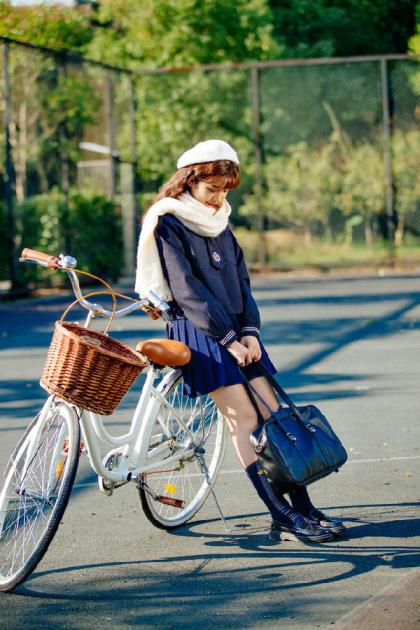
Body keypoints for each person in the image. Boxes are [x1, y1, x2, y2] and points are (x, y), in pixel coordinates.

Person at [135, 139, 345, 543]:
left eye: (225, 190)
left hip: (236, 332)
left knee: (273, 415)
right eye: (212, 189)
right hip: (198, 333)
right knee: (245, 421)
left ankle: (301, 507)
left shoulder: (220, 222)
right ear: (189, 181)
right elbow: (186, 289)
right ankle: (281, 512)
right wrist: (229, 337)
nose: (218, 198)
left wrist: (249, 331)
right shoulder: (168, 221)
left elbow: (241, 283)